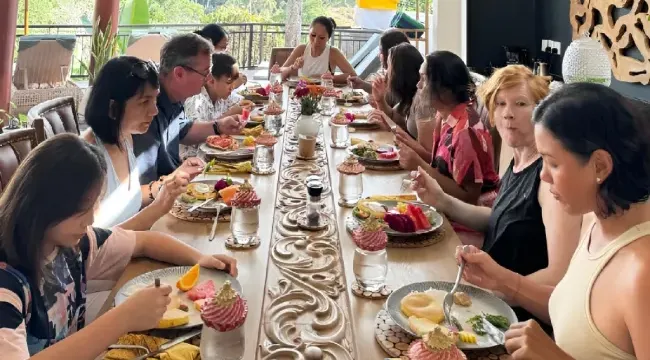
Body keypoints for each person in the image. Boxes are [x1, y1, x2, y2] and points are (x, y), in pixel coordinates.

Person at [455, 83, 650, 360]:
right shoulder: (596, 221)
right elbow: (577, 314)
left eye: (552, 163)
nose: (543, 176)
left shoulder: (642, 272)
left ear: (600, 167)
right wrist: (502, 279)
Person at [0, 134, 238, 359]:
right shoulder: (7, 286)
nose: (91, 221)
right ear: (45, 206)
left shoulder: (71, 244)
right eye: (83, 211)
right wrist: (123, 318)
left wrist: (199, 258)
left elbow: (144, 242)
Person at [411, 65, 582, 326]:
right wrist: (442, 200)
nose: (508, 114)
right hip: (488, 304)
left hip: (518, 322)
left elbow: (559, 276)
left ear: (541, 111)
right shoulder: (518, 161)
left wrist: (490, 295)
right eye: (500, 104)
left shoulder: (549, 179)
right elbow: (500, 218)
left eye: (520, 103)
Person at [81, 56, 189, 230]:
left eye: (155, 100)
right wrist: (158, 207)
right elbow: (95, 240)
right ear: (113, 108)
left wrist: (166, 185)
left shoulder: (124, 138)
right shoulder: (88, 158)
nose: (154, 111)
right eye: (144, 102)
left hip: (131, 247)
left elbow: (129, 199)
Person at [132, 33, 245, 198]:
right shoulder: (147, 107)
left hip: (174, 184)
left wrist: (219, 126)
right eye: (205, 73)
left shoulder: (175, 96)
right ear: (179, 73)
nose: (208, 79)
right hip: (159, 200)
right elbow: (141, 191)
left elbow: (183, 131)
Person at [397, 50, 499, 206]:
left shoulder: (465, 132)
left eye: (424, 79)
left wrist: (419, 163)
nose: (418, 85)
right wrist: (412, 149)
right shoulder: (444, 116)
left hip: (469, 217)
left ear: (445, 90)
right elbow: (441, 170)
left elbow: (470, 198)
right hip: (445, 203)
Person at [366, 43, 435, 138]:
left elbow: (425, 151)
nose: (387, 72)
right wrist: (380, 100)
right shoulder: (410, 94)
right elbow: (394, 117)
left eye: (389, 67)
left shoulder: (421, 100)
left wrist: (391, 130)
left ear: (398, 73)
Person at [183, 52, 244, 159]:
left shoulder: (222, 96)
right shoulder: (195, 101)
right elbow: (194, 139)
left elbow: (241, 103)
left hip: (216, 156)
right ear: (211, 80)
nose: (233, 87)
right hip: (194, 160)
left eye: (234, 81)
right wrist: (227, 116)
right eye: (229, 82)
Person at [280, 16, 356, 83]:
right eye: (313, 35)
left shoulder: (333, 52)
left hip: (325, 96)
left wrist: (332, 78)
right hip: (302, 94)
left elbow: (354, 76)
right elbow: (280, 73)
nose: (316, 41)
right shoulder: (301, 49)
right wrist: (293, 67)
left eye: (322, 38)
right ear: (308, 32)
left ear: (328, 38)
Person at [348, 28, 410, 94]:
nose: (378, 55)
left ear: (389, 53)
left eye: (380, 51)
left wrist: (379, 102)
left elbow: (389, 99)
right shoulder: (397, 72)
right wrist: (363, 85)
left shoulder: (403, 79)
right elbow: (385, 93)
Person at [194, 23, 247, 89]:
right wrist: (233, 85)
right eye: (223, 47)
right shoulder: (199, 65)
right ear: (210, 45)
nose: (225, 51)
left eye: (226, 47)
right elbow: (211, 92)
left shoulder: (213, 62)